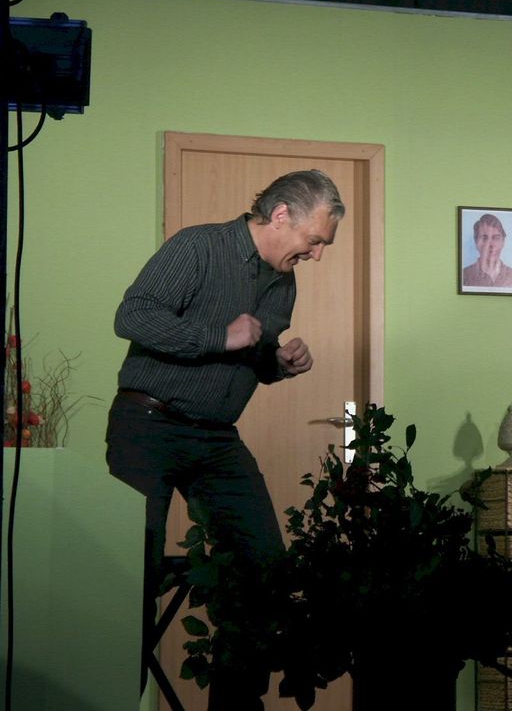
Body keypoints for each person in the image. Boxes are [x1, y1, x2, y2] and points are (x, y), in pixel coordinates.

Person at [105, 169, 345, 710]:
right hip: (148, 426)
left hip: (215, 439)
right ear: (281, 216)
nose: (317, 254)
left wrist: (278, 362)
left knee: (265, 568)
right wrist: (220, 335)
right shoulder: (198, 246)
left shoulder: (283, 280)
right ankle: (113, 698)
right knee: (131, 572)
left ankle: (235, 706)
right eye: (315, 240)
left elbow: (252, 354)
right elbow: (133, 316)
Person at [462, 213, 512, 289]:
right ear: (476, 242)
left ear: (503, 242)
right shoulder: (464, 275)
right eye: (484, 238)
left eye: (496, 238)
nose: (491, 244)